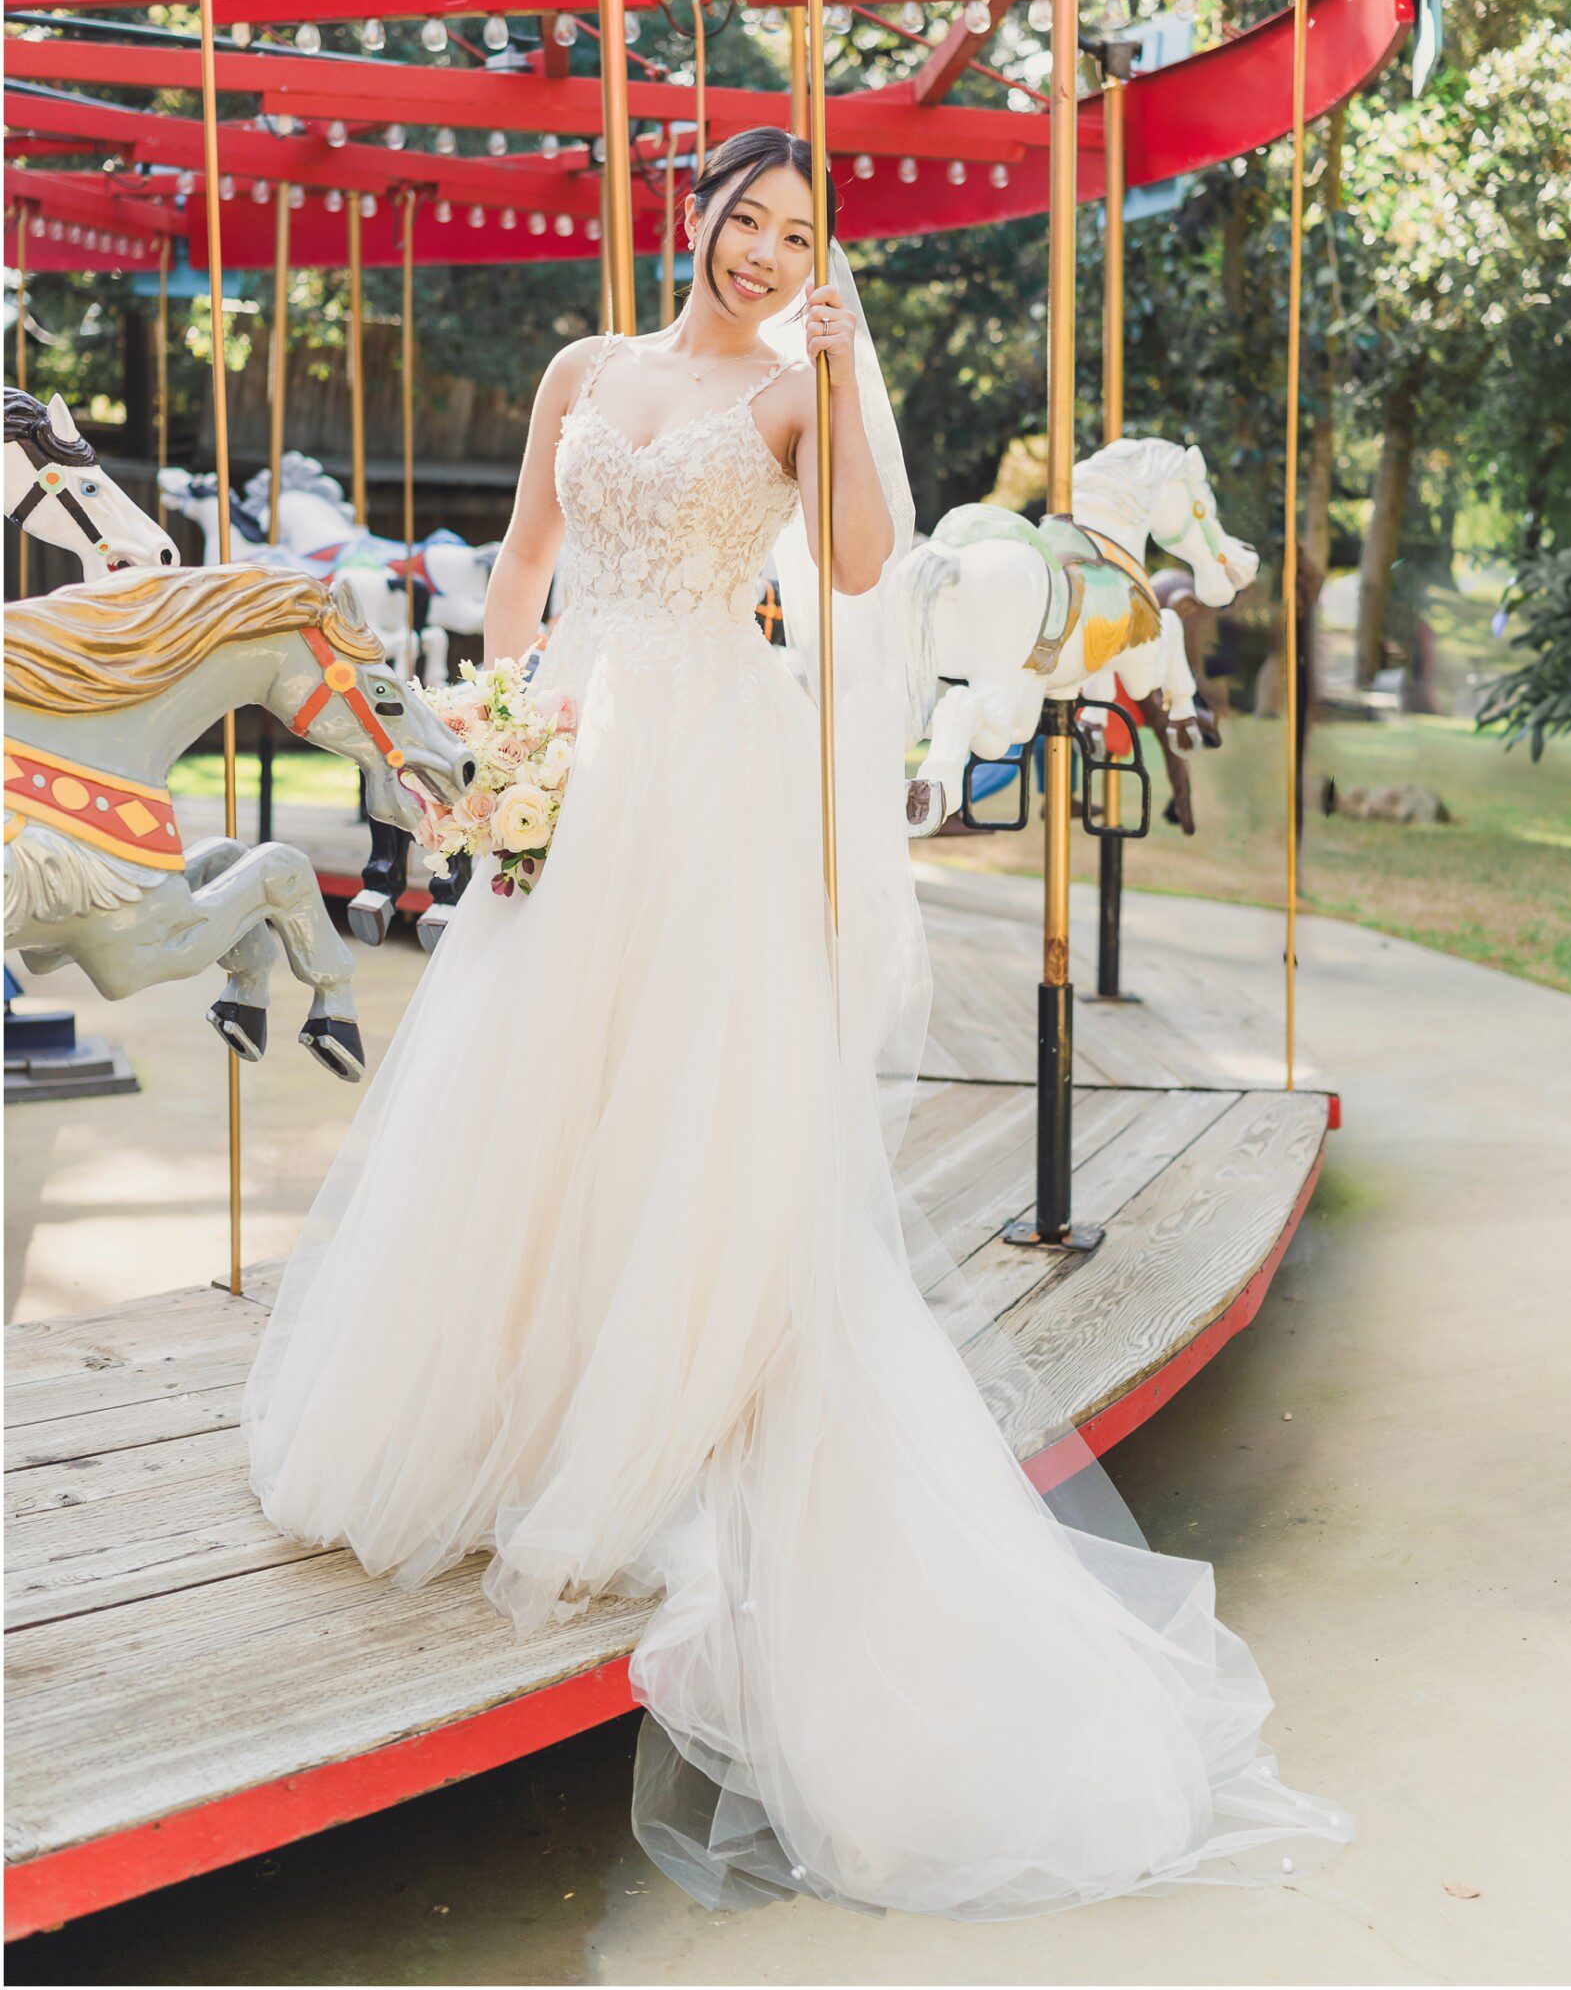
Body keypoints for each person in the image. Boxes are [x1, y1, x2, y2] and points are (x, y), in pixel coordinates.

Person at [243, 126, 1353, 1919]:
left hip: (702, 761)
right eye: (746, 220)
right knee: (527, 1077)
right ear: (691, 215)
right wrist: (483, 730)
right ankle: (512, 1397)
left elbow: (850, 568)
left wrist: (835, 379)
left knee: (676, 1084)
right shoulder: (583, 368)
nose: (764, 252)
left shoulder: (787, 388)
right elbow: (525, 552)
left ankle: (653, 1416)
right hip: (570, 749)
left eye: (797, 235)